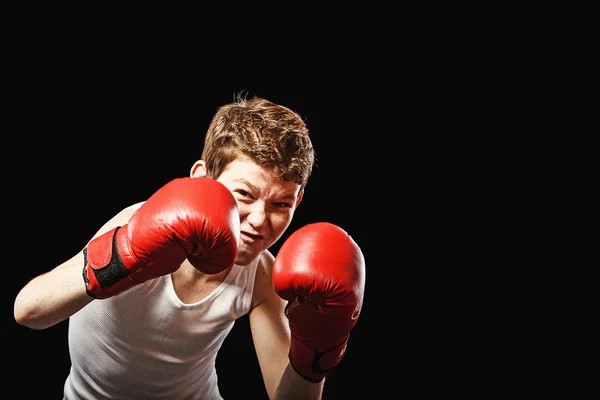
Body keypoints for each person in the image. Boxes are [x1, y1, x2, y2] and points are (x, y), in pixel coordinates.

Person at [13, 93, 366, 400]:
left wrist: (317, 353)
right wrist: (124, 256)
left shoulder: (261, 275)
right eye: (244, 194)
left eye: (280, 205)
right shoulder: (138, 223)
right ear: (202, 178)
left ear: (298, 202)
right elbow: (28, 311)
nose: (260, 220)